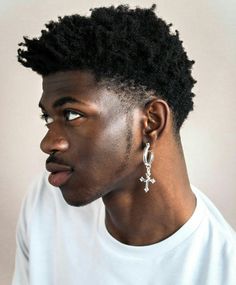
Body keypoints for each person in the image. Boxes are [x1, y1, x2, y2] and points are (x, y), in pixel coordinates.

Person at [13, 4, 236, 285]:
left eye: (72, 114)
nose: (48, 143)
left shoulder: (222, 272)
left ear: (151, 122)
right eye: (48, 118)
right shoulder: (45, 204)